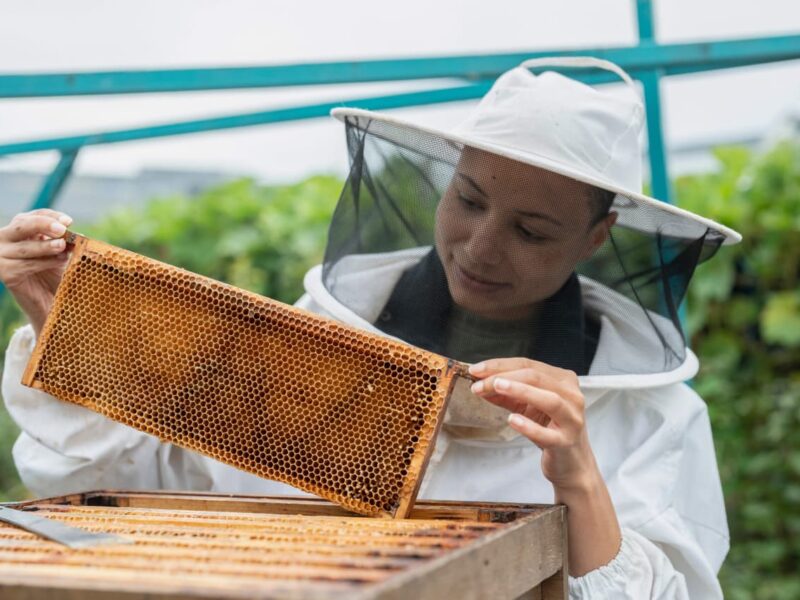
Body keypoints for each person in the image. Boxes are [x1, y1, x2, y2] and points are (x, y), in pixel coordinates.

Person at [1, 57, 740, 598]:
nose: (481, 248)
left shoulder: (654, 415)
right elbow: (132, 490)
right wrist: (67, 325)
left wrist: (579, 477)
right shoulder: (310, 339)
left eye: (533, 230)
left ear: (597, 236)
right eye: (471, 200)